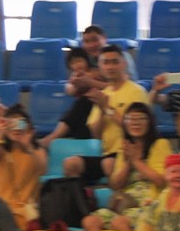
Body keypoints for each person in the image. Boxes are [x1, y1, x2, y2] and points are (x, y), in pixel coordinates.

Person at [81, 102, 172, 231]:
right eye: (130, 118)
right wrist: (128, 162)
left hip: (150, 206)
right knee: (90, 221)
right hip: (125, 206)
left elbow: (161, 181)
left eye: (141, 118)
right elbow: (115, 185)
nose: (135, 123)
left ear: (150, 122)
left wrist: (137, 162)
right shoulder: (124, 148)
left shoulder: (160, 144)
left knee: (119, 223)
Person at [62, 45, 149, 185]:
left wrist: (107, 107)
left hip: (131, 152)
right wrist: (102, 110)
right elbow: (96, 134)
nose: (110, 67)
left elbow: (135, 128)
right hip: (108, 154)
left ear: (124, 64)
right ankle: (81, 198)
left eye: (115, 62)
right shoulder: (104, 93)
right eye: (106, 63)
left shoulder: (137, 91)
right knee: (70, 164)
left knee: (109, 164)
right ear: (100, 67)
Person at [0, 105, 46, 231]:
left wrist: (28, 147)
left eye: (21, 124)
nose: (16, 129)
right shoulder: (1, 148)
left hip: (21, 210)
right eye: (11, 124)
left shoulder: (37, 150)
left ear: (29, 128)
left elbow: (42, 170)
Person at [39, 48, 98, 147]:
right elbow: (70, 91)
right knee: (77, 116)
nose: (77, 65)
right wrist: (76, 82)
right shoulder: (74, 77)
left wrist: (87, 80)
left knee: (82, 102)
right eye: (73, 63)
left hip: (95, 106)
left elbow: (97, 78)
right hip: (82, 112)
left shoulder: (96, 72)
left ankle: (52, 138)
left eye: (79, 61)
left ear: (87, 60)